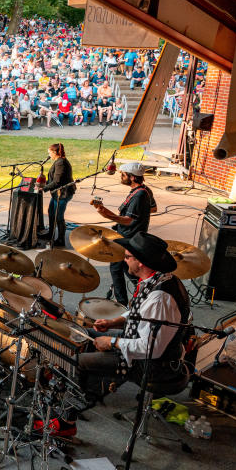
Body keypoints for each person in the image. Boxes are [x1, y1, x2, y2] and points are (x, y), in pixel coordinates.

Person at [77, 233, 190, 393]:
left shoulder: (160, 299)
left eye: (128, 257)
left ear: (141, 263)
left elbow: (152, 348)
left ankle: (77, 405)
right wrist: (113, 322)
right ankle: (98, 384)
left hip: (150, 365)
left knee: (77, 360)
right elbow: (141, 311)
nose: (124, 260)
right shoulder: (158, 278)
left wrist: (112, 342)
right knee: (83, 334)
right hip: (141, 343)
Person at [91, 161, 154, 305]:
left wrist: (108, 216)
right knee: (127, 268)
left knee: (116, 268)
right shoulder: (139, 191)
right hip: (128, 236)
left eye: (123, 175)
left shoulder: (139, 195)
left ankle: (122, 303)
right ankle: (146, 293)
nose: (121, 176)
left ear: (132, 177)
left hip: (129, 238)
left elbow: (128, 220)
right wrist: (105, 211)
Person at [41, 143, 75, 248]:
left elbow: (57, 181)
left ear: (55, 152)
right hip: (57, 193)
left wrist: (44, 188)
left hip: (63, 194)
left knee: (59, 217)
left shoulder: (61, 163)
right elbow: (53, 179)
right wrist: (45, 183)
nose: (49, 155)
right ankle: (50, 234)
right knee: (51, 212)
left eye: (50, 153)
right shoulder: (58, 161)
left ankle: (60, 240)